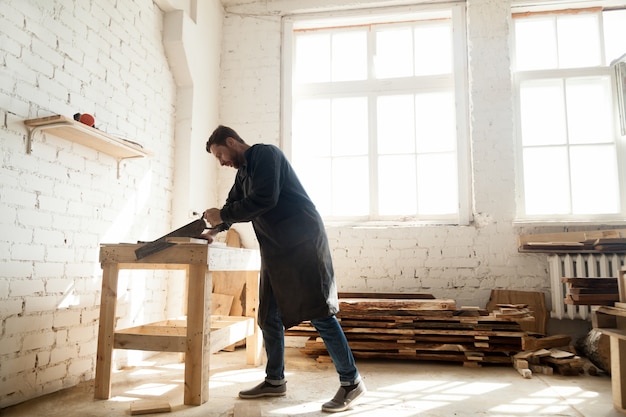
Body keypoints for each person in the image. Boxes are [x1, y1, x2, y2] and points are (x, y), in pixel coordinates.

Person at [202, 125, 366, 413]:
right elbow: (233, 205)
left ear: (231, 141)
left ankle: (351, 383)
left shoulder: (266, 155)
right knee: (268, 316)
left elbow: (264, 199)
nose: (222, 162)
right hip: (277, 250)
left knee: (321, 314)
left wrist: (223, 215)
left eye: (220, 154)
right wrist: (216, 228)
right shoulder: (243, 173)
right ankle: (275, 381)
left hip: (303, 243)